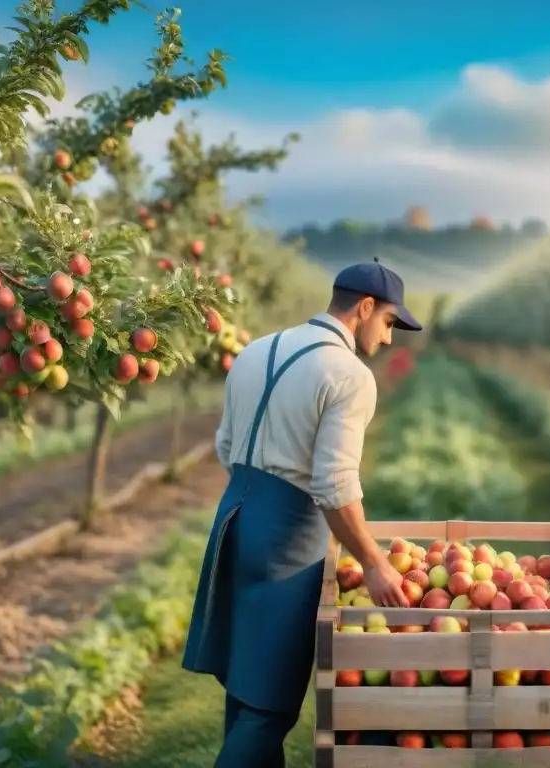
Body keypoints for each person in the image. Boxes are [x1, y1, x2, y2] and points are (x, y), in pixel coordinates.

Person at [182, 260, 422, 767]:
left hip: (235, 519)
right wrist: (374, 561)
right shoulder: (349, 375)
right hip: (287, 539)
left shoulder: (253, 350)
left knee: (246, 679)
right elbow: (334, 485)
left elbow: (225, 446)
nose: (390, 337)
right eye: (389, 322)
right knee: (272, 705)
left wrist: (259, 489)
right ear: (363, 308)